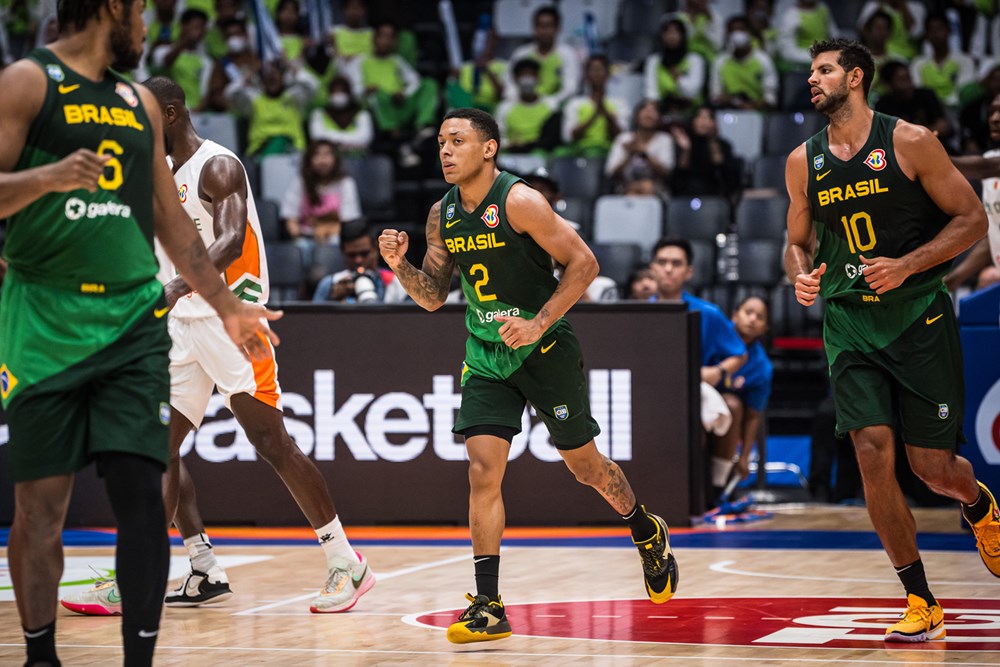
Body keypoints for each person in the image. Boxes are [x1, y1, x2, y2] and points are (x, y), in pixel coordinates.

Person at [0, 2, 280, 665]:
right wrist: (50, 177)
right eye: (143, 12)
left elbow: (176, 226)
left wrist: (227, 303)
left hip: (133, 320)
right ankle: (41, 655)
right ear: (110, 9)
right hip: (45, 321)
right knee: (40, 506)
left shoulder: (139, 103)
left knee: (143, 492)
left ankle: (140, 658)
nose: (149, 28)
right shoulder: (27, 82)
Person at [62, 77, 375, 618]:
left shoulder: (218, 165)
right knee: (156, 447)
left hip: (231, 318)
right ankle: (188, 569)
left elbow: (229, 243)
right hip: (181, 325)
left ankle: (346, 562)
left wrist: (174, 287)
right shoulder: (151, 174)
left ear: (173, 113)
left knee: (271, 442)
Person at [378, 108, 678, 644]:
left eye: (457, 141)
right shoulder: (441, 214)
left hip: (544, 350)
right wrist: (399, 264)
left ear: (489, 148)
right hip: (486, 355)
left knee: (585, 468)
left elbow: (585, 263)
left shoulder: (520, 201)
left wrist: (539, 323)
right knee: (481, 469)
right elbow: (431, 297)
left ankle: (644, 528)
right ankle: (489, 606)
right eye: (440, 142)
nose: (445, 151)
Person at [785, 38, 1000, 643]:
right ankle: (919, 597)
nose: (813, 79)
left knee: (931, 468)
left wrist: (908, 264)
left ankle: (979, 505)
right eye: (810, 71)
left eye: (824, 70)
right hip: (849, 323)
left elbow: (972, 221)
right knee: (872, 455)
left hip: (916, 317)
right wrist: (800, 272)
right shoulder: (803, 160)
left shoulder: (910, 141)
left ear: (855, 78)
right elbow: (795, 238)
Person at [647, 238, 748, 492]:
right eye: (662, 262)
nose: (668, 269)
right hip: (651, 393)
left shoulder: (708, 312)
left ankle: (715, 486)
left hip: (696, 392)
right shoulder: (638, 311)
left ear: (689, 271)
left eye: (676, 263)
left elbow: (740, 354)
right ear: (652, 268)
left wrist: (719, 371)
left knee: (727, 407)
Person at [715, 296, 773, 492]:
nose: (752, 319)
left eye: (760, 317)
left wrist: (745, 456)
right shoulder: (714, 337)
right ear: (734, 315)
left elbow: (754, 415)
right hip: (698, 402)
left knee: (732, 405)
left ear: (765, 327)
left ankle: (717, 485)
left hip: (730, 420)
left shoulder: (762, 366)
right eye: (748, 312)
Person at [947, 93, 1000, 293]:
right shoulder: (991, 157)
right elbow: (994, 236)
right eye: (992, 111)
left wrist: (926, 153)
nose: (995, 118)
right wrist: (955, 278)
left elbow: (985, 168)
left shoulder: (988, 165)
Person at [281, 139, 362, 266]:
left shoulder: (346, 183)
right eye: (317, 155)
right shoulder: (300, 182)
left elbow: (348, 222)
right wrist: (297, 234)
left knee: (335, 245)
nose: (323, 160)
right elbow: (291, 218)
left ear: (336, 159)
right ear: (309, 160)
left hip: (335, 237)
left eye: (327, 154)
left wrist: (324, 229)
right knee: (299, 249)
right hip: (306, 237)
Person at [313, 222, 407, 303]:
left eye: (364, 253)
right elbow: (314, 322)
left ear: (376, 249)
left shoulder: (398, 284)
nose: (358, 260)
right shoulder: (330, 285)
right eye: (351, 255)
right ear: (342, 253)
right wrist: (332, 302)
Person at [505, 6, 579, 108]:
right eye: (540, 26)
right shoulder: (521, 54)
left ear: (558, 28)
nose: (544, 31)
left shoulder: (568, 54)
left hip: (555, 107)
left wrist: (549, 103)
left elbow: (570, 88)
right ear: (534, 28)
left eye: (548, 26)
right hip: (523, 104)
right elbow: (510, 84)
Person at [560, 54, 627, 158]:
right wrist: (593, 116)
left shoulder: (619, 103)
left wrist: (607, 115)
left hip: (609, 154)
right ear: (586, 75)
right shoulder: (574, 104)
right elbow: (568, 137)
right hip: (580, 153)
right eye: (592, 70)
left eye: (600, 69)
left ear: (608, 74)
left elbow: (622, 137)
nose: (596, 74)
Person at [605, 99, 675, 196]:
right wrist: (629, 156)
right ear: (636, 116)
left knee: (647, 186)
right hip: (626, 188)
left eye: (654, 111)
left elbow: (666, 172)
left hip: (656, 189)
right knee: (632, 192)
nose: (649, 114)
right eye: (645, 110)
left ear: (659, 118)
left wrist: (644, 153)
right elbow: (611, 173)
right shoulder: (623, 139)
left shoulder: (664, 139)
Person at [710, 14, 778, 111]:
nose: (737, 34)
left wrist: (751, 106)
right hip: (728, 112)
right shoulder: (720, 61)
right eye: (733, 31)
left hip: (758, 112)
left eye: (741, 30)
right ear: (727, 34)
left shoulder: (764, 60)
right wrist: (735, 102)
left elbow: (770, 98)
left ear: (749, 33)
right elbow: (715, 95)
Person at [643, 16, 706, 111]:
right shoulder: (654, 61)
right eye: (667, 32)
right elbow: (651, 91)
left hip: (691, 109)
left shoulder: (695, 59)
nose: (671, 36)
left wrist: (679, 78)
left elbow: (693, 91)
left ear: (683, 35)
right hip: (662, 109)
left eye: (676, 32)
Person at [495, 58, 556, 155]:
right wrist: (509, 144)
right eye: (523, 75)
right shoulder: (504, 108)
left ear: (538, 77)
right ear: (515, 79)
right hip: (514, 155)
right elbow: (498, 138)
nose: (527, 79)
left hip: (543, 154)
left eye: (531, 74)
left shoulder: (551, 104)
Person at [308, 75, 374, 153]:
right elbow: (317, 136)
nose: (338, 95)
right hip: (328, 158)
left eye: (342, 91)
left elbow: (364, 138)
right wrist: (351, 141)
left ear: (349, 93)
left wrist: (333, 140)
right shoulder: (319, 113)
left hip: (357, 158)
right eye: (334, 92)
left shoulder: (362, 114)